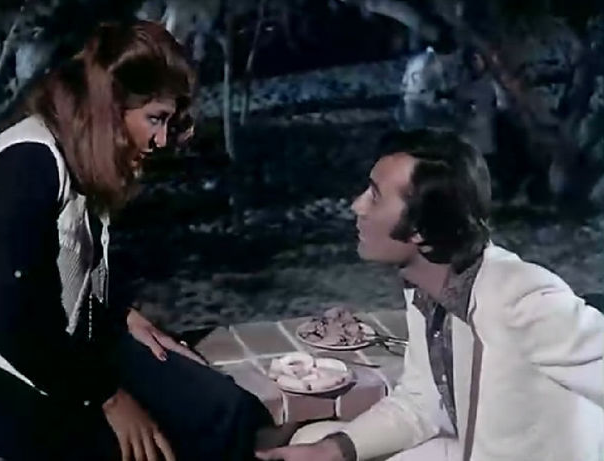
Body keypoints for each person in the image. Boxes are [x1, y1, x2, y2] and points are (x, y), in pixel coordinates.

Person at [0, 20, 271, 461]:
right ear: (111, 105)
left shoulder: (82, 151)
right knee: (146, 447)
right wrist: (108, 398)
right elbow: (11, 325)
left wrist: (119, 314)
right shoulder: (28, 163)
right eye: (155, 119)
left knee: (226, 409)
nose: (161, 139)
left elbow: (67, 267)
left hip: (65, 346)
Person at [256, 130, 604, 461]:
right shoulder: (426, 291)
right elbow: (420, 403)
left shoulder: (522, 298)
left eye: (375, 196)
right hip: (471, 451)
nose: (357, 205)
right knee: (313, 441)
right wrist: (335, 449)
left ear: (421, 229)